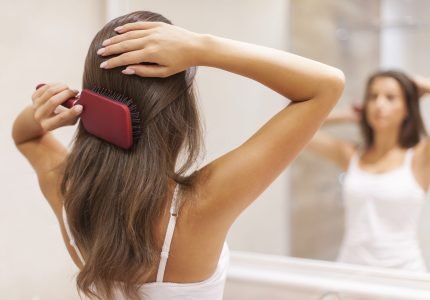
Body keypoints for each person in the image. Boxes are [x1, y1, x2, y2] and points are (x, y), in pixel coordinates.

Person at [12, 11, 344, 300]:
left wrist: (39, 114)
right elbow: (325, 85)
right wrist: (202, 47)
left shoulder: (67, 193)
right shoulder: (201, 204)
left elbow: (25, 137)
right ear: (179, 112)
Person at [305, 70, 430, 272]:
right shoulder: (351, 155)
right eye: (373, 97)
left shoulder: (420, 158)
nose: (379, 104)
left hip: (404, 273)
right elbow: (298, 129)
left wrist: (423, 85)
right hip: (350, 271)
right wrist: (344, 116)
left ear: (407, 108)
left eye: (390, 97)